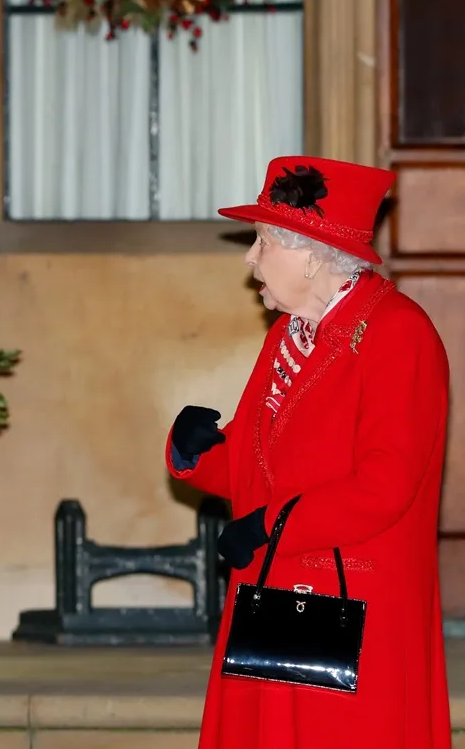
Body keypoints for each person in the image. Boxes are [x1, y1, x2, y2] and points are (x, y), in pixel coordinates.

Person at [166, 156, 451, 749]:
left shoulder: (399, 332)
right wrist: (195, 453)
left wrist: (270, 528)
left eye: (263, 241)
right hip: (275, 594)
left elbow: (386, 485)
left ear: (313, 252)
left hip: (356, 604)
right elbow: (252, 466)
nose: (250, 257)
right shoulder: (287, 334)